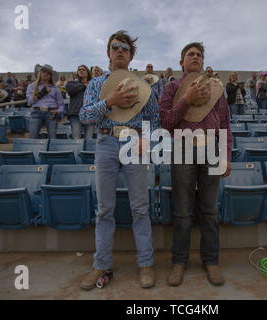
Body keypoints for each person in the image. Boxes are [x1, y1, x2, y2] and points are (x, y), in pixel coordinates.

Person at [79, 30, 159, 290]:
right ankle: (101, 265)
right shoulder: (95, 84)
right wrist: (109, 101)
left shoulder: (142, 85)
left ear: (131, 55)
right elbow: (84, 116)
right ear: (108, 52)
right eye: (116, 46)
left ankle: (146, 264)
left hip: (134, 143)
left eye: (125, 47)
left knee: (140, 207)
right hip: (106, 142)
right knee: (104, 209)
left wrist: (147, 139)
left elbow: (154, 116)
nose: (120, 50)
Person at [160, 42, 233, 287]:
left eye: (199, 55)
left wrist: (226, 156)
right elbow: (166, 122)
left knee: (210, 210)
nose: (195, 58)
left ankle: (211, 261)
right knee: (183, 212)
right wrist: (187, 99)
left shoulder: (216, 90)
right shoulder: (172, 87)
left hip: (212, 148)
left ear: (203, 62)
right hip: (182, 147)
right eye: (190, 54)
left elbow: (225, 125)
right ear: (181, 62)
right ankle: (179, 263)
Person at [26, 64, 64, 139]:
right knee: (32, 137)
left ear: (50, 76)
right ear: (40, 73)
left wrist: (58, 111)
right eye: (43, 71)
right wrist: (42, 93)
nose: (45, 74)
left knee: (52, 137)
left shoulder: (55, 89)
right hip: (36, 112)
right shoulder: (32, 86)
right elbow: (30, 101)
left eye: (48, 73)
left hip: (51, 113)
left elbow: (61, 105)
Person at [65, 65, 94, 139]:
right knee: (76, 139)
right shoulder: (71, 83)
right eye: (79, 70)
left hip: (90, 115)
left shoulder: (93, 84)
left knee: (89, 139)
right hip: (75, 114)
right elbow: (70, 91)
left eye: (83, 70)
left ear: (88, 73)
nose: (81, 71)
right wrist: (83, 85)